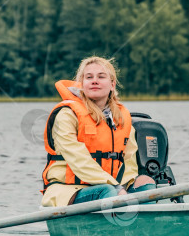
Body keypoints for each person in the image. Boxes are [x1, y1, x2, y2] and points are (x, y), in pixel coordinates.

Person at [41, 56, 155, 207]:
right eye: (89, 77)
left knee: (146, 183)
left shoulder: (121, 118)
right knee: (107, 192)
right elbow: (78, 160)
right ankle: (123, 223)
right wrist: (116, 188)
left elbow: (129, 163)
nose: (94, 80)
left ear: (112, 85)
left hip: (113, 187)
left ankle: (144, 226)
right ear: (82, 84)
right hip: (69, 190)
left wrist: (126, 186)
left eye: (101, 76)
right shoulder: (67, 115)